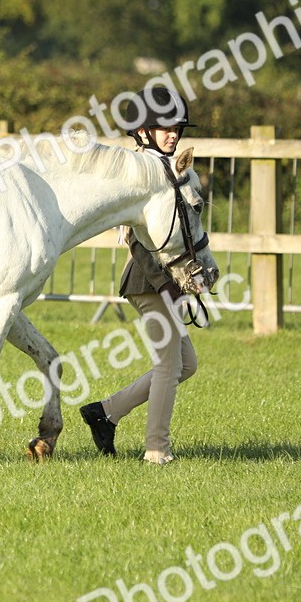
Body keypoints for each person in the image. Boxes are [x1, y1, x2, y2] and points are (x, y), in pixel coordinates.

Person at [80, 86, 201, 465]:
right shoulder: (140, 172)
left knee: (186, 365)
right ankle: (156, 450)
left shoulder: (169, 167)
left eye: (177, 128)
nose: (173, 134)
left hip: (164, 280)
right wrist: (166, 284)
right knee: (168, 364)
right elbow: (135, 240)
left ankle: (105, 412)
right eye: (164, 127)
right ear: (143, 132)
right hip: (149, 281)